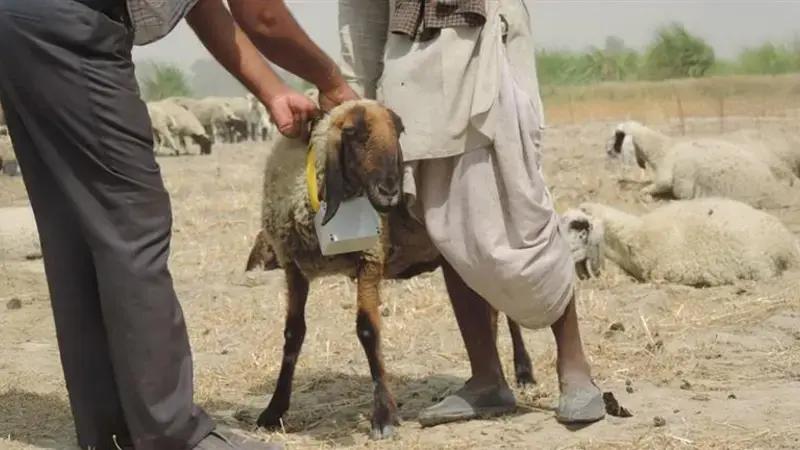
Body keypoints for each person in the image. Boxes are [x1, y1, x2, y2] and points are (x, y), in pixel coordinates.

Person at [0, 0, 358, 448]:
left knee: (74, 228)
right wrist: (331, 81)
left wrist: (272, 91)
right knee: (131, 221)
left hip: (17, 24)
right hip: (74, 25)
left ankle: (111, 430)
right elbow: (261, 14)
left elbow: (199, 3)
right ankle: (172, 434)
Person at [336, 0, 608, 426]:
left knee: (521, 212)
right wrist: (355, 90)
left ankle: (574, 368)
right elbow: (361, 15)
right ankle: (486, 379)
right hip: (411, 73)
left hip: (487, 52)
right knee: (447, 222)